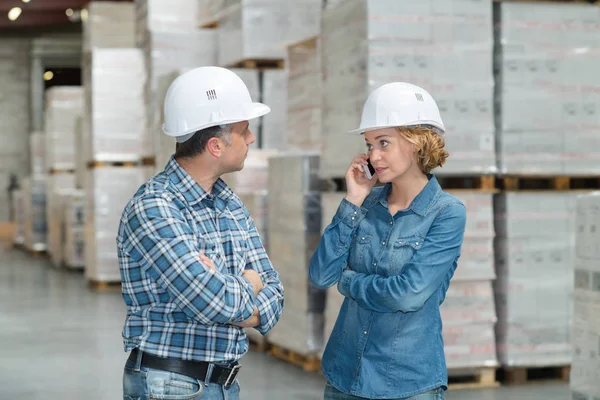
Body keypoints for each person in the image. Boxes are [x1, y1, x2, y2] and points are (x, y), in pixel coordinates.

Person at [117, 66, 284, 400]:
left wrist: (230, 289)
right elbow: (214, 303)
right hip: (170, 387)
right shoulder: (154, 208)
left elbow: (275, 292)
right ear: (215, 146)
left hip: (222, 384)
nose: (251, 138)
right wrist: (249, 284)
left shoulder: (228, 202)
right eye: (243, 130)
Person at [309, 82, 466, 400]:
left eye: (384, 143)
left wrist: (350, 282)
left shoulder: (447, 214)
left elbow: (408, 294)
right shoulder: (364, 204)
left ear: (417, 142)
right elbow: (321, 274)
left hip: (406, 385)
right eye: (369, 145)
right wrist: (353, 200)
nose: (374, 156)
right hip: (345, 377)